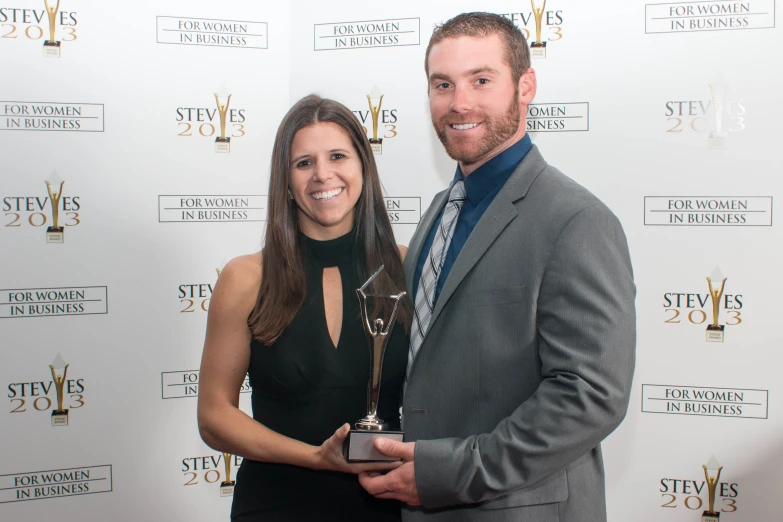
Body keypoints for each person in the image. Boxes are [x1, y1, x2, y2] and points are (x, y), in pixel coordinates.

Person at [359, 12, 636, 522]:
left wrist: (446, 474)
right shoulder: (440, 210)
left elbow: (590, 396)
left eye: (481, 80)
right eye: (443, 84)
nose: (459, 102)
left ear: (525, 86)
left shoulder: (577, 221)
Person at [197, 94, 413, 521]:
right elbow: (214, 416)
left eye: (337, 156)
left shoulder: (409, 268)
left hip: (389, 506)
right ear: (287, 180)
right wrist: (315, 457)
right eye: (304, 163)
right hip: (277, 505)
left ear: (363, 168)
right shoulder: (245, 278)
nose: (322, 175)